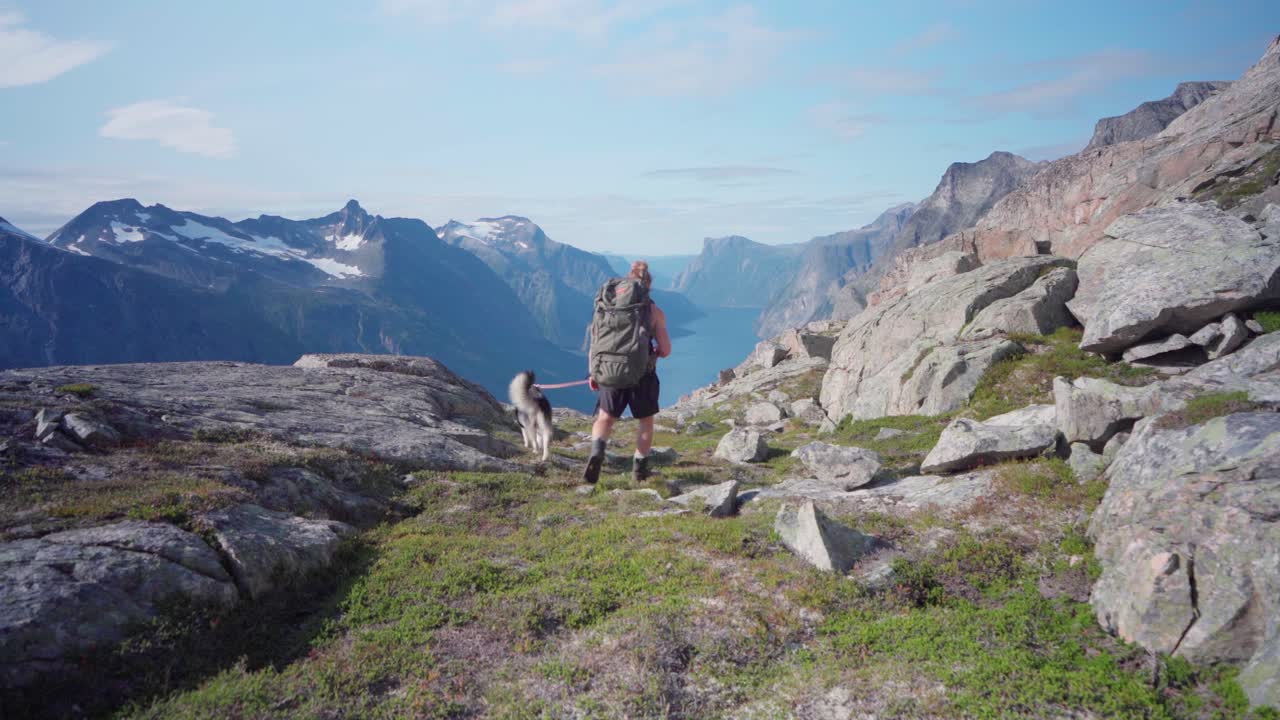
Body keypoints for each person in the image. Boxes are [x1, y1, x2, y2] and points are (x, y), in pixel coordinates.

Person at [582, 260, 672, 485]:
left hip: (609, 370)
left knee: (605, 417)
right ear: (647, 286)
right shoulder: (653, 311)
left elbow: (595, 341)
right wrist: (654, 350)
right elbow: (666, 349)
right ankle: (639, 471)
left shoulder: (607, 307)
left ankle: (597, 452)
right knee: (645, 422)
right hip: (642, 374)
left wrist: (594, 372)